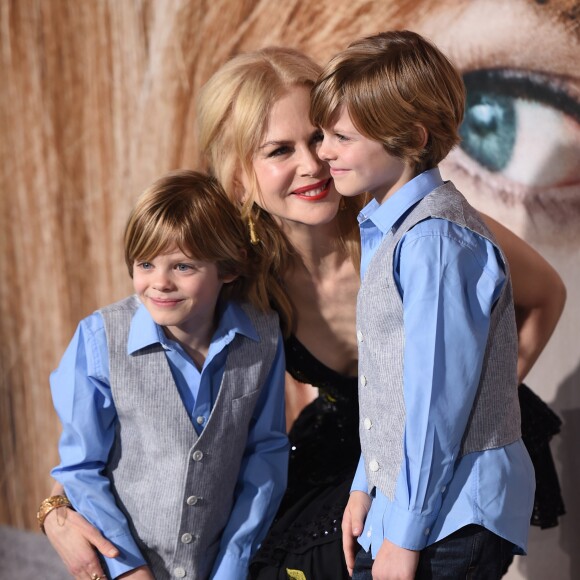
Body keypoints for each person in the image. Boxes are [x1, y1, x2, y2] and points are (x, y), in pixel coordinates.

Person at [41, 47, 565, 580]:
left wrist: (480, 396)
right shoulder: (237, 273)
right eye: (279, 150)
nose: (313, 164)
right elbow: (137, 377)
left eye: (320, 137)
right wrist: (57, 503)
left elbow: (546, 295)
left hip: (438, 448)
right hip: (348, 451)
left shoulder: (416, 234)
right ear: (239, 177)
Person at [310, 29, 536, 579]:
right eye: (323, 134)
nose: (323, 152)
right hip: (412, 508)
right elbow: (394, 392)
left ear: (409, 135)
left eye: (340, 136)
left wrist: (405, 536)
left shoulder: (435, 243)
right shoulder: (395, 231)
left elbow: (436, 403)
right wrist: (367, 484)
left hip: (450, 520)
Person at [43, 170, 288, 580]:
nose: (159, 282)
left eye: (183, 266)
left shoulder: (263, 338)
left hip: (218, 566)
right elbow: (80, 469)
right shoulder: (98, 339)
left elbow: (265, 454)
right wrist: (127, 568)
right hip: (120, 567)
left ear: (227, 269)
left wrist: (233, 564)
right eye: (146, 263)